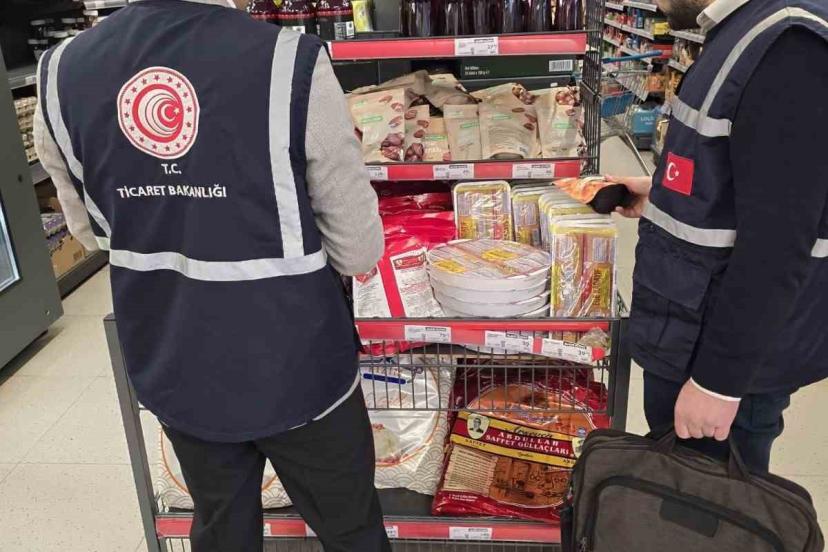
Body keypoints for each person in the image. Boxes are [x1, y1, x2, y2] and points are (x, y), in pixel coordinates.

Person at [33, 0, 390, 550]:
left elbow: (91, 233)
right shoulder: (288, 59)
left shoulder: (60, 72)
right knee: (350, 528)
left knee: (221, 524)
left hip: (176, 357)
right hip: (296, 361)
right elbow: (357, 248)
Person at [610, 0, 828, 472]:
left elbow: (778, 243)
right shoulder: (746, 29)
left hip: (718, 362)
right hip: (688, 334)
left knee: (708, 503)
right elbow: (742, 178)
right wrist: (661, 192)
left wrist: (718, 383)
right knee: (677, 489)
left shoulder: (789, 47)